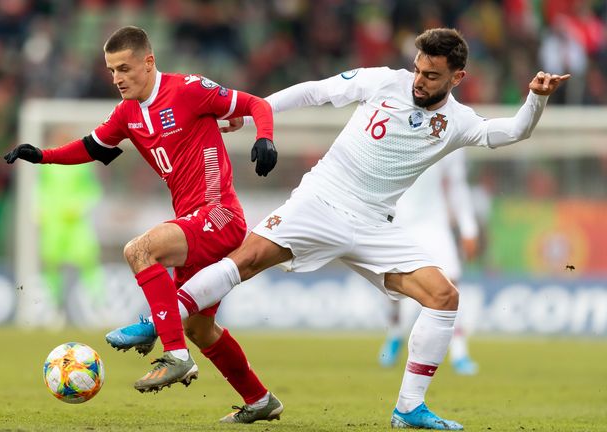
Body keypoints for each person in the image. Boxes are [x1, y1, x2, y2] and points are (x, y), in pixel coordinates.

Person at [108, 28, 569, 430]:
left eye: (431, 76)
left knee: (444, 297)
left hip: (374, 224)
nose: (419, 82)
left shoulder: (458, 122)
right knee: (243, 261)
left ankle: (409, 408)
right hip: (320, 201)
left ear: (457, 78)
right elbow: (313, 91)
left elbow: (513, 132)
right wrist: (250, 116)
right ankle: (156, 322)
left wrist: (537, 98)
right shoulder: (383, 81)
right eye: (418, 70)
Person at [4, 26, 284, 423]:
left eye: (124, 68)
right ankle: (260, 401)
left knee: (139, 249)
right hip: (193, 221)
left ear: (149, 62)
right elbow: (89, 146)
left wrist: (265, 138)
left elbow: (256, 104)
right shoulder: (127, 114)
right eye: (111, 70)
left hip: (218, 214)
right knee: (201, 330)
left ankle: (174, 355)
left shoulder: (186, 89)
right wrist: (42, 156)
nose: (117, 78)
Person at [378, 148, 480, 375]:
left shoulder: (452, 127)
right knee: (391, 284)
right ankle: (395, 332)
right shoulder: (398, 121)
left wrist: (468, 227)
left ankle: (460, 352)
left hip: (433, 221)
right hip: (397, 218)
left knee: (451, 281)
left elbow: (457, 185)